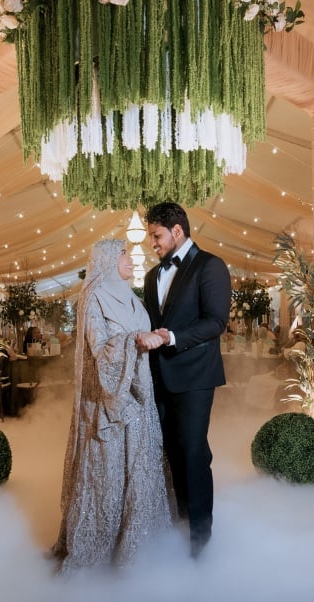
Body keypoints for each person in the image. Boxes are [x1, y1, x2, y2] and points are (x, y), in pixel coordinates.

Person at [50, 240, 171, 572]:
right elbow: (99, 348)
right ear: (106, 259)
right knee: (109, 474)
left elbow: (141, 335)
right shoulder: (94, 297)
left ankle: (138, 547)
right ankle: (102, 548)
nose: (131, 259)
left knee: (140, 468)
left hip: (140, 399)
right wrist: (134, 340)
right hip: (109, 403)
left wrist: (153, 335)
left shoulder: (132, 298)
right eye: (124, 254)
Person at [139, 201, 232, 559]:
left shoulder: (210, 266)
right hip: (159, 377)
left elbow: (216, 322)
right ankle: (182, 522)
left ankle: (200, 539)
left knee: (193, 453)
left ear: (177, 231)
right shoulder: (151, 276)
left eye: (156, 236)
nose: (152, 243)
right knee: (173, 453)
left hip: (195, 376)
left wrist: (172, 337)